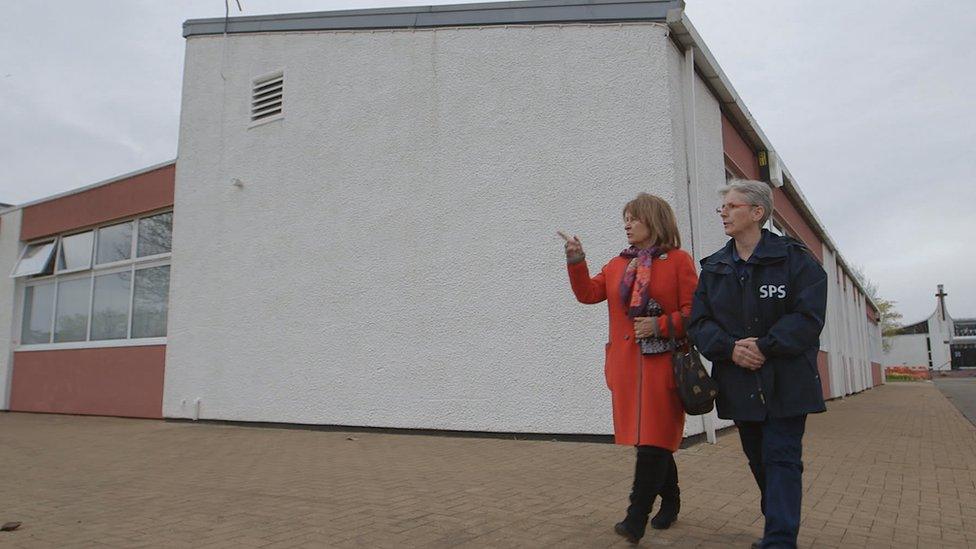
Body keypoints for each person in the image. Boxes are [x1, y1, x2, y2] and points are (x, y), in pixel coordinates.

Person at [687, 179, 827, 549]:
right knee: (759, 460)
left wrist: (766, 346)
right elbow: (699, 323)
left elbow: (808, 317)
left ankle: (780, 539)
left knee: (782, 458)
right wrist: (731, 349)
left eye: (731, 207)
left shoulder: (796, 260)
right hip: (740, 383)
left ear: (757, 212)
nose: (723, 213)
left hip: (787, 380)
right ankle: (778, 523)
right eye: (723, 207)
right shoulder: (715, 268)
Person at [562, 193, 698, 544]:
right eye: (625, 218)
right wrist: (576, 260)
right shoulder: (617, 264)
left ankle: (634, 518)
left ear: (654, 221)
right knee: (649, 439)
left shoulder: (680, 261)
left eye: (633, 218)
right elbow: (588, 294)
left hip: (663, 365)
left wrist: (660, 326)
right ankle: (671, 499)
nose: (627, 224)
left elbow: (695, 313)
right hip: (625, 367)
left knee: (653, 440)